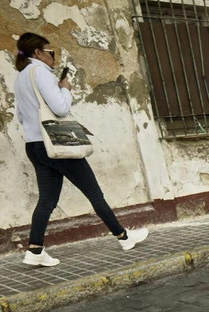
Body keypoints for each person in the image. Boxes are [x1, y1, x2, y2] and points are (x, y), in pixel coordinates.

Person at [13, 32, 144, 266]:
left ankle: (34, 251)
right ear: (38, 53)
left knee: (46, 201)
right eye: (50, 51)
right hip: (57, 142)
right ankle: (124, 237)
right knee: (94, 194)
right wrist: (65, 88)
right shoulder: (40, 72)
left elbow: (22, 117)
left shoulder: (21, 77)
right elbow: (61, 108)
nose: (53, 57)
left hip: (34, 145)